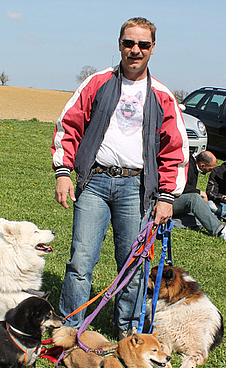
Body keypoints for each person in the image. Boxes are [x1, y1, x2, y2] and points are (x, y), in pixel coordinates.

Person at [51, 17, 189, 339]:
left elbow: (176, 150)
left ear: (153, 49)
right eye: (129, 43)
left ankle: (128, 333)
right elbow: (68, 126)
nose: (135, 50)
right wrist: (63, 172)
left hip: (136, 189)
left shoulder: (162, 96)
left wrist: (167, 197)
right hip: (94, 184)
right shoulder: (96, 83)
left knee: (132, 268)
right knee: (80, 262)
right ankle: (68, 331)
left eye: (143, 44)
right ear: (119, 45)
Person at [172, 150, 226, 241]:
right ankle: (220, 231)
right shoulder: (187, 165)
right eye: (210, 169)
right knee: (194, 198)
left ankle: (169, 223)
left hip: (177, 202)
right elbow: (178, 186)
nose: (210, 172)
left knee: (203, 219)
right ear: (202, 165)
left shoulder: (193, 166)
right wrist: (199, 192)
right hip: (166, 201)